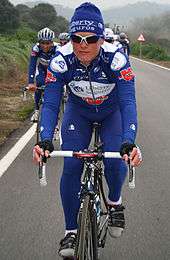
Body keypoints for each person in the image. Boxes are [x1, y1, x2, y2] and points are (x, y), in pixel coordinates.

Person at [33, 2, 142, 258]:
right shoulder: (61, 59)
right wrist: (45, 139)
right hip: (78, 113)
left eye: (90, 38)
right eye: (76, 38)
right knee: (71, 166)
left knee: (116, 161)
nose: (83, 44)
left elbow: (128, 102)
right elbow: (50, 102)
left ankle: (114, 203)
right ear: (70, 38)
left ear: (101, 39)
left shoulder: (116, 58)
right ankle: (71, 230)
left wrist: (129, 140)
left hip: (111, 113)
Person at [28, 27, 59, 122]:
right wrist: (30, 82)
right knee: (39, 84)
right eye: (43, 43)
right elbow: (32, 66)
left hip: (54, 70)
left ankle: (56, 114)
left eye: (48, 43)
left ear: (52, 42)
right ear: (39, 42)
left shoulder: (58, 49)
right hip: (42, 69)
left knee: (55, 88)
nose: (45, 46)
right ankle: (36, 110)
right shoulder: (36, 48)